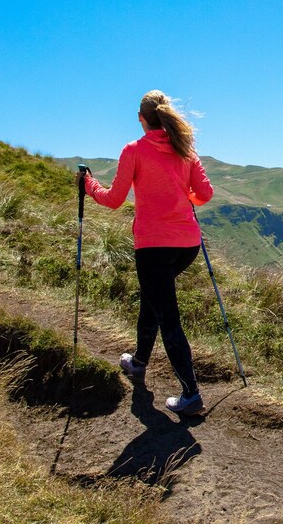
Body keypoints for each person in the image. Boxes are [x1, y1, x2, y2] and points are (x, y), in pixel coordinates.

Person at [78, 90, 213, 415]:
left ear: (142, 119)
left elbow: (113, 199)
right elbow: (205, 194)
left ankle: (191, 394)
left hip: (153, 246)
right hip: (187, 246)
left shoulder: (134, 151)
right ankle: (139, 362)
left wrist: (87, 185)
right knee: (155, 297)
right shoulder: (185, 150)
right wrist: (182, 199)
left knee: (168, 317)